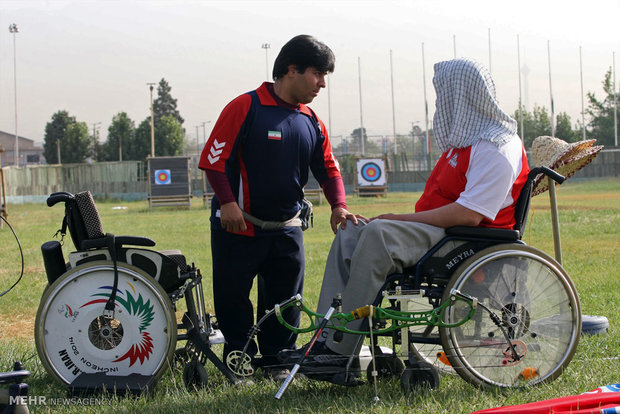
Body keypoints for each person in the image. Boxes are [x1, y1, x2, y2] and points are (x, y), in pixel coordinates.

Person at [279, 58, 530, 386]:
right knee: (352, 230)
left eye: (444, 94)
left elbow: (470, 213)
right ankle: (326, 341)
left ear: (462, 94)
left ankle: (339, 351)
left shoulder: (497, 147)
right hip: (442, 233)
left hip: (467, 239)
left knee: (380, 233)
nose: (440, 101)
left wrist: (400, 218)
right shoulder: (468, 142)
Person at [198, 34, 356, 381]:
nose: (322, 84)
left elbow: (328, 169)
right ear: (291, 69)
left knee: (286, 301)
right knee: (233, 298)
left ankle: (276, 363)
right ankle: (239, 361)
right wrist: (227, 203)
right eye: (317, 74)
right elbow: (213, 160)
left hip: (287, 228)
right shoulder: (245, 106)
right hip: (238, 227)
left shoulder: (311, 120)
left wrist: (338, 206)